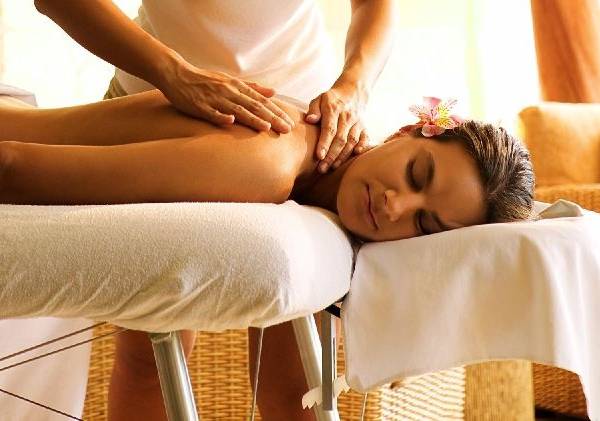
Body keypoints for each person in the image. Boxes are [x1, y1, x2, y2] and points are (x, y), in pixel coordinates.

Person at [0, 90, 534, 417]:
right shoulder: (266, 165)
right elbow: (15, 168)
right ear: (406, 131)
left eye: (424, 223)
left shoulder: (320, 196)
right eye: (416, 173)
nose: (396, 205)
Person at [32, 2, 396, 418]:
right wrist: (173, 73)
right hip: (160, 109)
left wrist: (353, 88)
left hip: (309, 128)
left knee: (299, 387)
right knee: (150, 364)